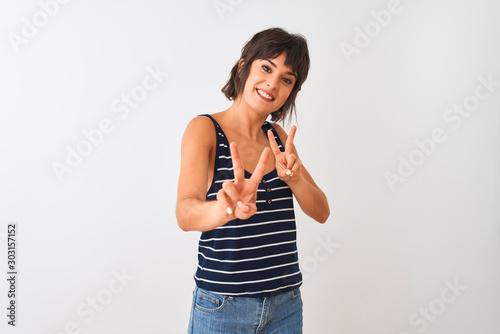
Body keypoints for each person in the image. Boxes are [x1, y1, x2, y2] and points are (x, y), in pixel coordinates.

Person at [176, 27, 330, 334]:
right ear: (243, 67)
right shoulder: (204, 129)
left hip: (286, 303)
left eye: (287, 79)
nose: (273, 83)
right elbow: (184, 213)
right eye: (266, 67)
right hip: (224, 306)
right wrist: (225, 209)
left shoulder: (278, 137)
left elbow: (322, 212)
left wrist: (295, 179)